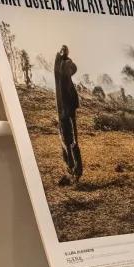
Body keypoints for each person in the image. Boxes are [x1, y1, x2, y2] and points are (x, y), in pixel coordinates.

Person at [53, 45, 82, 185]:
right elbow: (58, 67)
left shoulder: (66, 78)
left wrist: (65, 58)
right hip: (63, 113)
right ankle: (71, 170)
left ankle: (75, 171)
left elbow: (70, 67)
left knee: (72, 141)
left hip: (68, 113)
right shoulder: (60, 76)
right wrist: (61, 56)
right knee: (65, 141)